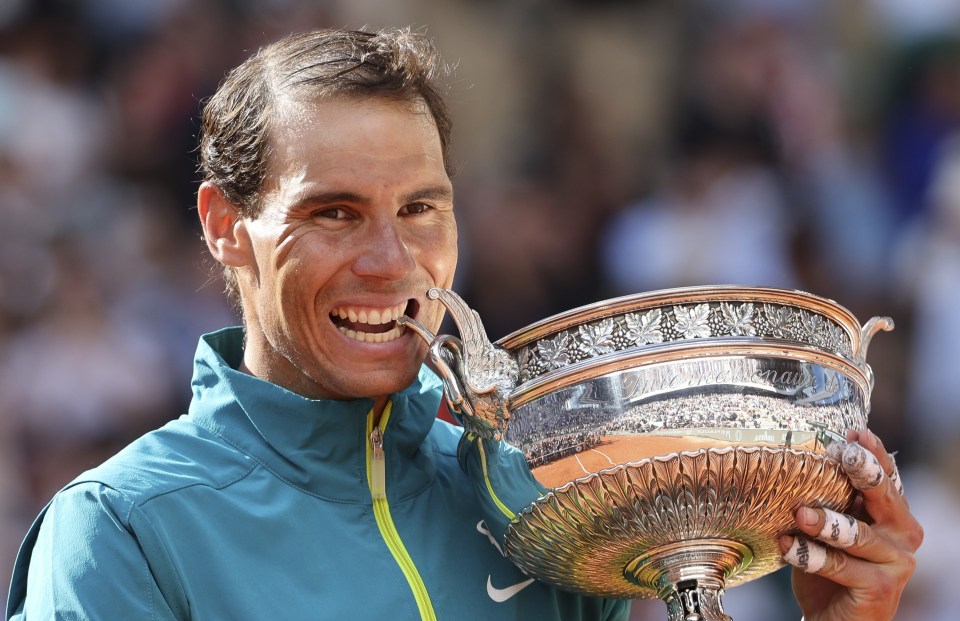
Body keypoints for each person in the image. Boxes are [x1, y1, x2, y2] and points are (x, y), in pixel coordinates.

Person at [5, 27, 921, 621]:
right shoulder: (122, 532)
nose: (390, 260)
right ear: (224, 227)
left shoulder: (541, 501)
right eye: (333, 213)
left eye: (422, 209)